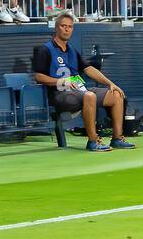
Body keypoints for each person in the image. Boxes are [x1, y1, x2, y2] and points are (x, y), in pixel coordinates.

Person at [31, 12, 133, 151]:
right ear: (56, 28)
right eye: (63, 26)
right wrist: (61, 81)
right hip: (59, 94)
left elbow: (88, 68)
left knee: (116, 94)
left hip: (79, 90)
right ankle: (92, 141)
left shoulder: (72, 50)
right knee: (89, 96)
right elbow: (38, 77)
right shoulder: (44, 49)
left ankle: (117, 138)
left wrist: (110, 83)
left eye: (70, 27)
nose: (67, 29)